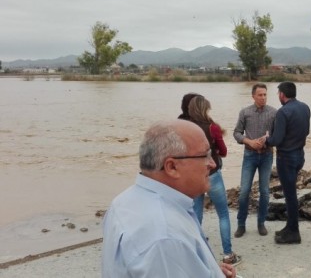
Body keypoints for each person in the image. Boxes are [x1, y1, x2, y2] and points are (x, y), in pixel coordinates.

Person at [102, 119, 236, 278]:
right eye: (205, 155)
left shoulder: (123, 202)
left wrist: (207, 269)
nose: (212, 163)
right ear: (172, 167)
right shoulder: (166, 238)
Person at [187, 95, 241, 266]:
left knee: (195, 215)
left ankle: (196, 253)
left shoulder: (186, 128)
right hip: (212, 174)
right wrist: (214, 150)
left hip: (193, 175)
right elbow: (224, 151)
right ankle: (227, 255)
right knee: (223, 214)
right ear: (205, 109)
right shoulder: (213, 128)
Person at [265, 81, 310, 244]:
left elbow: (276, 139)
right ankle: (289, 226)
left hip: (286, 157)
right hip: (299, 155)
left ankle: (293, 232)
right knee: (291, 193)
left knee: (290, 195)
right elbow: (307, 131)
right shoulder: (305, 107)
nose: (278, 96)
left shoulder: (283, 112)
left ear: (282, 95)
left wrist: (265, 141)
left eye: (278, 94)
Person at [233, 83, 277, 238]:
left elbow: (278, 135)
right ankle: (241, 224)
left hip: (266, 155)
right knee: (244, 191)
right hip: (250, 155)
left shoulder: (273, 113)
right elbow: (237, 133)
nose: (263, 97)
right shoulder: (245, 112)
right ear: (253, 96)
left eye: (265, 94)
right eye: (260, 95)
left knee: (264, 191)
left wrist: (268, 140)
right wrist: (249, 142)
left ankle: (261, 223)